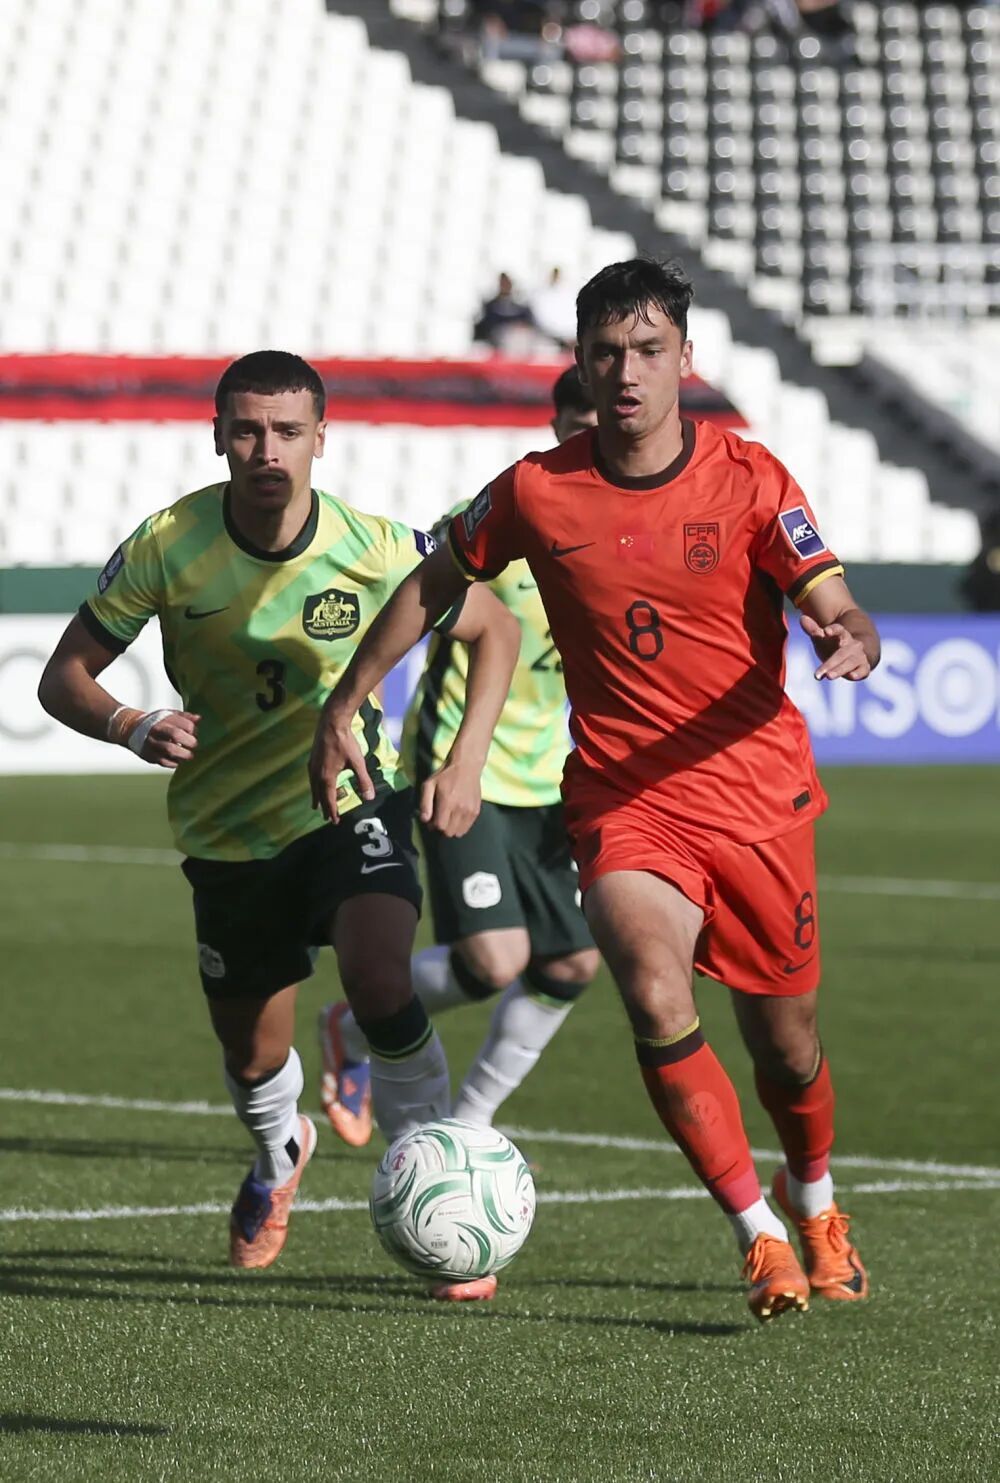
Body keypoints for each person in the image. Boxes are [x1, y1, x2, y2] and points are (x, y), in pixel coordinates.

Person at [309, 259, 880, 1324]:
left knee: (786, 1044)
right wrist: (347, 699)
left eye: (648, 350)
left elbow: (833, 597)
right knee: (654, 995)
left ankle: (814, 1200)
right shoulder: (535, 490)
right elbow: (434, 584)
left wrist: (848, 632)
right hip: (625, 801)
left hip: (759, 800)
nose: (627, 371)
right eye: (608, 352)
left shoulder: (753, 477)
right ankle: (758, 1233)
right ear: (579, 358)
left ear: (685, 360)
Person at [37, 350, 519, 1294]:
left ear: (320, 439)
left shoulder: (376, 546)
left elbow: (493, 627)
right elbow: (63, 678)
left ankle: (439, 1185)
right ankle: (278, 1152)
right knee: (253, 1054)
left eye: (288, 431)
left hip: (350, 802)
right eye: (249, 431)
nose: (268, 450)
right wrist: (130, 723)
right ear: (219, 436)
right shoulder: (167, 545)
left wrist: (466, 761)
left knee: (380, 976)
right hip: (226, 831)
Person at [318, 367, 600, 1155]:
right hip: (460, 764)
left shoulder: (627, 538)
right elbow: (406, 607)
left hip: (553, 780)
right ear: (557, 425)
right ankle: (352, 1024)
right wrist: (357, 708)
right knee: (495, 957)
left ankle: (469, 1125)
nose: (594, 440)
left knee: (573, 961)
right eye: (579, 425)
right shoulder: (499, 522)